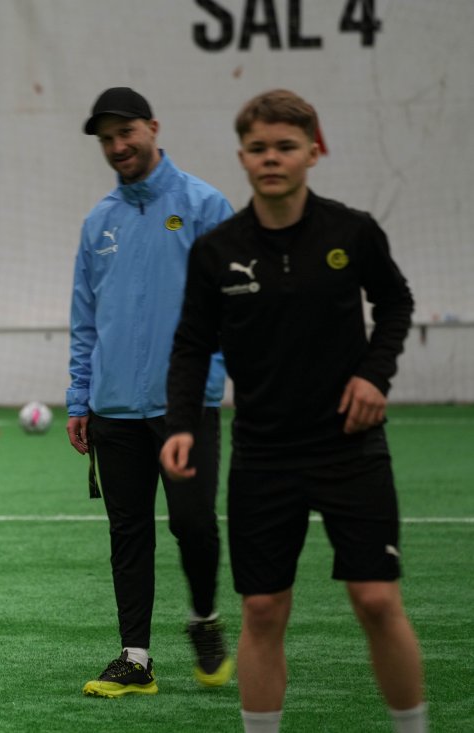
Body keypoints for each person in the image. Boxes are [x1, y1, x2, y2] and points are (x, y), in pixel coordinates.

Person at [161, 89, 426, 733]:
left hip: (350, 446)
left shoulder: (353, 231)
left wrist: (373, 374)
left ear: (315, 150)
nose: (271, 159)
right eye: (258, 149)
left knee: (375, 599)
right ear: (243, 158)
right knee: (262, 610)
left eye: (285, 147)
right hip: (263, 455)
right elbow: (193, 344)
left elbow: (395, 304)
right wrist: (180, 425)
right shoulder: (216, 250)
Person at [66, 86, 235, 699]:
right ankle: (135, 658)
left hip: (184, 408)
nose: (117, 146)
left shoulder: (204, 206)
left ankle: (204, 619)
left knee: (193, 524)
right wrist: (79, 398)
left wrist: (206, 387)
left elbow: (232, 310)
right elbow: (85, 320)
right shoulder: (98, 222)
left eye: (126, 133)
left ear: (153, 128)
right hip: (113, 410)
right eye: (107, 139)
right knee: (127, 531)